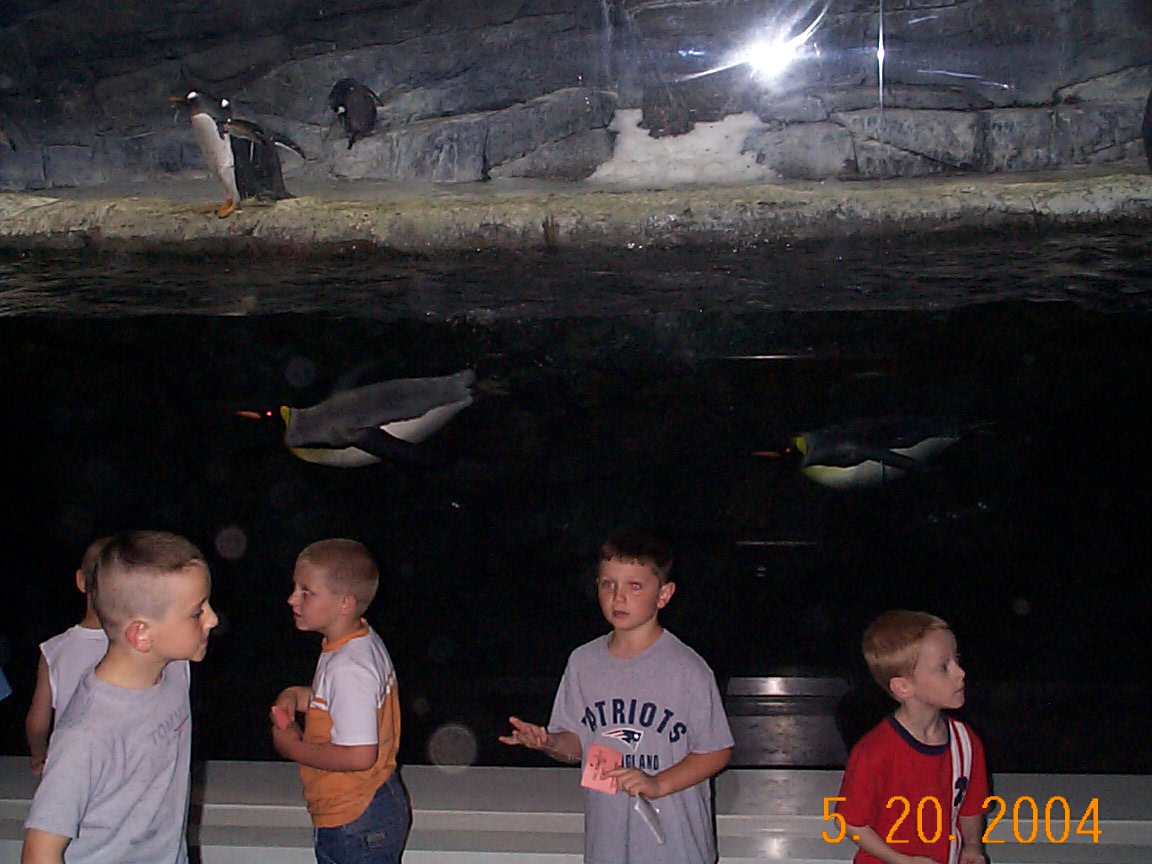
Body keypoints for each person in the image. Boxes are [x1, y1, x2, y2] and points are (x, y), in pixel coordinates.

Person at [500, 527, 734, 864]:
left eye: (634, 586)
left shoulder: (687, 669)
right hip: (607, 846)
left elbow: (716, 751)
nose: (618, 597)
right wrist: (548, 742)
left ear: (664, 594)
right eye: (608, 584)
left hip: (676, 849)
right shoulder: (583, 662)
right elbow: (577, 744)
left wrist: (657, 783)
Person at [22, 530, 218, 864]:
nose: (212, 619)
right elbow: (39, 853)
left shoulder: (175, 668)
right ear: (141, 634)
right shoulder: (85, 735)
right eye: (197, 612)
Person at [271, 538, 409, 864]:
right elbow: (344, 705)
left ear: (345, 603)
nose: (292, 599)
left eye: (306, 591)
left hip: (355, 817)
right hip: (369, 803)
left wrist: (293, 747)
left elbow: (360, 755)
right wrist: (295, 696)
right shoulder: (357, 642)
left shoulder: (348, 666)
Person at [835, 610, 988, 864]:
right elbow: (850, 823)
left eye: (957, 660)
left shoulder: (965, 742)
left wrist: (972, 846)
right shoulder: (875, 751)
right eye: (943, 667)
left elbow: (971, 806)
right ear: (903, 687)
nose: (960, 673)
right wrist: (902, 860)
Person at [25, 536, 112, 775]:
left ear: (81, 581)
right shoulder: (141, 644)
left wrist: (39, 755)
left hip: (70, 767)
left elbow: (37, 723)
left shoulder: (56, 649)